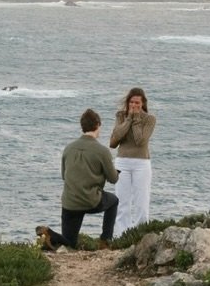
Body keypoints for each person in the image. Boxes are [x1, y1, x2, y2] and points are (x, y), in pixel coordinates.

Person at [37, 108, 120, 251]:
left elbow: (64, 176)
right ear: (98, 125)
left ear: (82, 126)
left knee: (69, 243)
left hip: (70, 202)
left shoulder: (69, 148)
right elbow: (113, 179)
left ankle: (49, 233)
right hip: (91, 200)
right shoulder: (102, 151)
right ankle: (105, 241)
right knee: (114, 201)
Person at [109, 86, 156, 237]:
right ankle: (123, 235)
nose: (134, 105)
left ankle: (140, 234)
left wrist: (135, 120)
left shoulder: (149, 119)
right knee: (122, 201)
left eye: (137, 103)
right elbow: (117, 134)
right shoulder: (121, 116)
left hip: (141, 163)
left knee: (141, 201)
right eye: (131, 102)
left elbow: (140, 140)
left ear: (143, 104)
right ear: (128, 102)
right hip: (122, 162)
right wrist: (129, 118)